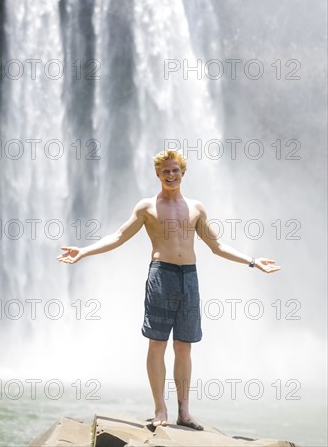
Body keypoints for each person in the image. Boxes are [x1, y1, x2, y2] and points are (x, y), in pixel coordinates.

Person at [57, 149, 281, 430]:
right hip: (161, 275)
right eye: (166, 171)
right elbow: (118, 237)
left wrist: (253, 261)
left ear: (183, 173)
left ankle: (184, 412)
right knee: (157, 344)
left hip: (190, 276)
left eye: (175, 170)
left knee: (184, 347)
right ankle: (160, 408)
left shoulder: (197, 208)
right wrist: (83, 251)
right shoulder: (147, 207)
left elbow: (217, 246)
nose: (171, 175)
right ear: (158, 174)